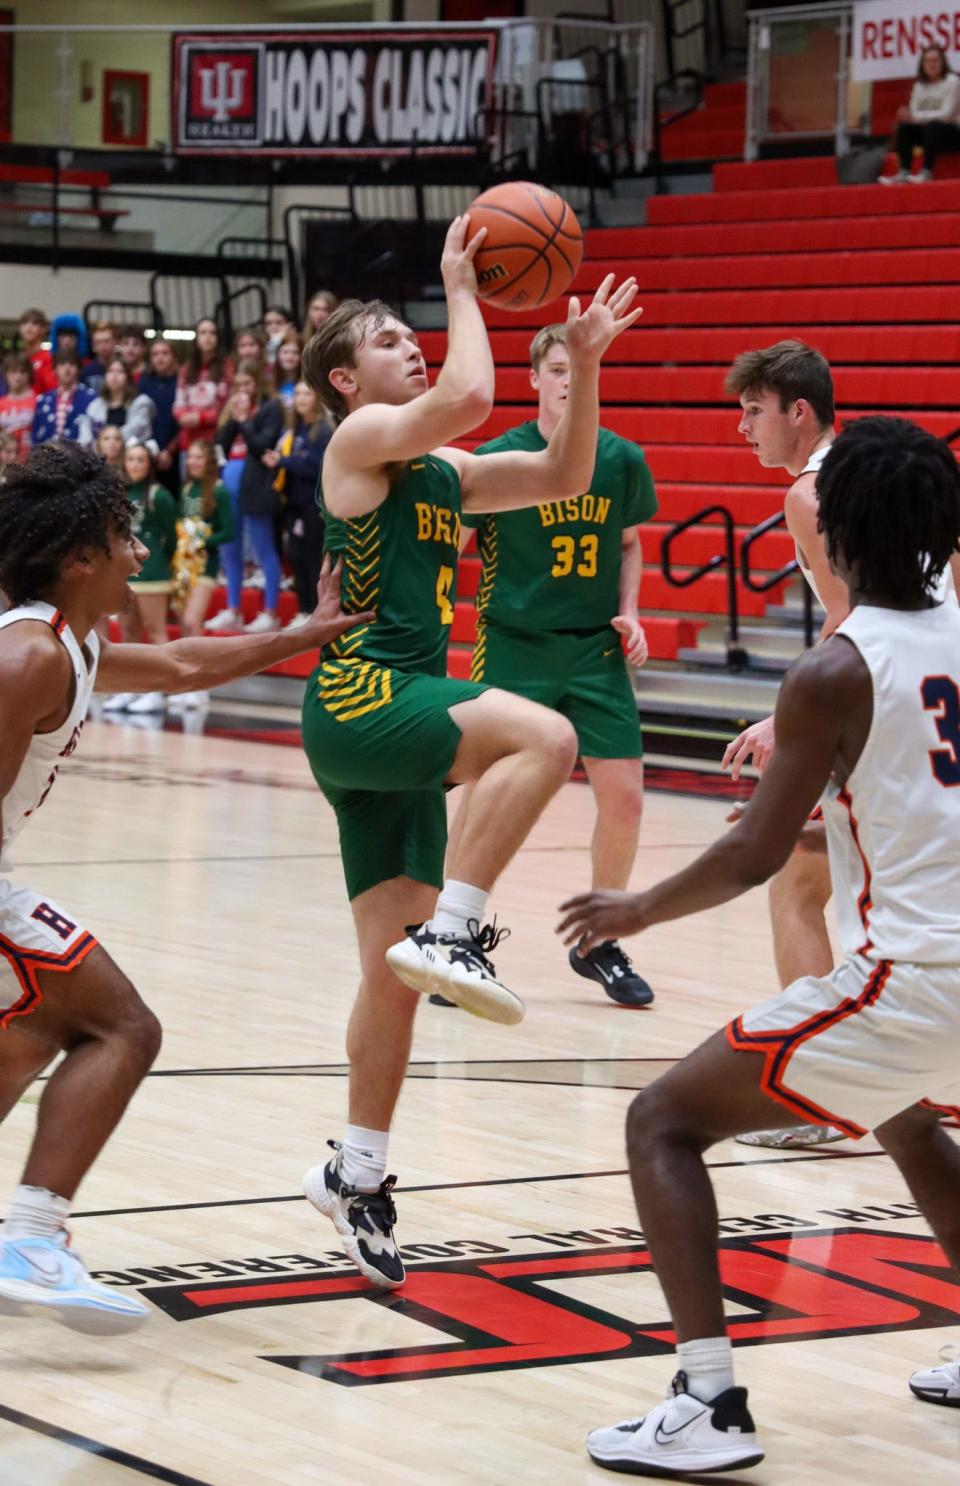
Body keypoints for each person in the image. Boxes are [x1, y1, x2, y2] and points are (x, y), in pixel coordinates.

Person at [557, 415, 960, 1477]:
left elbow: (751, 853)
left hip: (917, 977)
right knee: (912, 1124)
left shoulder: (835, 667)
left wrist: (637, 908)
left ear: (837, 533)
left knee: (663, 1121)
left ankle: (708, 1402)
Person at [297, 215, 639, 1290]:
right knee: (545, 733)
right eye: (390, 340)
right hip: (365, 697)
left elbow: (556, 471)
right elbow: (474, 398)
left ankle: (358, 1170)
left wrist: (578, 367)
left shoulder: (443, 475)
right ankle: (460, 933)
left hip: (386, 719)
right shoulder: (353, 448)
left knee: (386, 977)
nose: (411, 345)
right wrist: (464, 285)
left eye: (415, 330)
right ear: (348, 382)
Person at [0, 440, 369, 1333]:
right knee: (120, 1026)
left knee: (31, 1040)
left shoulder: (67, 642)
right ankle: (30, 1238)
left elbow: (181, 667)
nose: (141, 552)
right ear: (79, 555)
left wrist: (304, 634)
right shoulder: (27, 660)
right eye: (125, 535)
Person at [451, 321, 658, 1009]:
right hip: (514, 642)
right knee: (488, 793)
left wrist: (631, 609)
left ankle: (598, 940)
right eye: (558, 369)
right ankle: (453, 935)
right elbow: (448, 543)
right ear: (535, 379)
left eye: (580, 368)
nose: (569, 379)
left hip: (594, 647)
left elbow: (630, 544)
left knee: (625, 799)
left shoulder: (621, 459)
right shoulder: (499, 458)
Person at [102, 443, 178, 716]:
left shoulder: (159, 495)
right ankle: (130, 688)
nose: (135, 464)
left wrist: (162, 560)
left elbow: (173, 534)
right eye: (131, 459)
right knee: (128, 632)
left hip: (154, 572)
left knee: (155, 631)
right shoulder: (118, 494)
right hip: (125, 572)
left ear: (149, 465)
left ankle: (160, 691)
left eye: (141, 460)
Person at [209, 364, 285, 634]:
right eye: (237, 385)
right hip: (229, 479)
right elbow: (221, 443)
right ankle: (233, 608)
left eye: (247, 385)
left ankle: (271, 611)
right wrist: (233, 417)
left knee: (264, 546)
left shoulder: (271, 408)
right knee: (230, 544)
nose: (241, 391)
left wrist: (244, 419)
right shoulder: (234, 411)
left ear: (258, 384)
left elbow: (261, 445)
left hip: (256, 484)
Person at [262, 379, 330, 629]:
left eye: (307, 394)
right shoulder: (296, 428)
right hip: (293, 504)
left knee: (313, 559)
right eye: (298, 394)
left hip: (314, 506)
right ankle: (303, 610)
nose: (301, 398)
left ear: (317, 399)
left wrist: (284, 461)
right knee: (296, 557)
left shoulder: (323, 430)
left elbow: (315, 467)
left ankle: (315, 611)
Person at [172, 440, 235, 707]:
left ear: (209, 461)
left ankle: (201, 685)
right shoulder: (186, 488)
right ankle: (188, 682)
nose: (193, 462)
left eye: (199, 458)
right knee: (184, 623)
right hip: (183, 567)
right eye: (191, 458)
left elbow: (229, 531)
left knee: (192, 619)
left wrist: (201, 541)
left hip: (206, 565)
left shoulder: (218, 491)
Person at [880, 44, 960, 184]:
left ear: (943, 62)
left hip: (952, 134)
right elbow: (912, 113)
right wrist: (910, 117)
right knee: (904, 127)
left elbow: (947, 115)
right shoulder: (919, 85)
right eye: (927, 61)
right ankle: (903, 172)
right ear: (922, 64)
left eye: (935, 60)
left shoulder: (952, 81)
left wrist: (917, 117)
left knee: (932, 126)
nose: (931, 64)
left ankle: (926, 172)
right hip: (929, 134)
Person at [173, 318, 231, 464]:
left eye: (212, 333)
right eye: (203, 332)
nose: (208, 337)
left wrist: (201, 418)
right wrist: (182, 416)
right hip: (188, 442)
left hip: (213, 439)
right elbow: (179, 402)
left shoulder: (227, 367)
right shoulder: (186, 369)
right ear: (196, 338)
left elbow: (226, 406)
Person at [80, 355, 155, 447]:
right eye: (110, 371)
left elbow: (136, 432)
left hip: (129, 457)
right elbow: (85, 436)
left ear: (128, 377)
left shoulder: (141, 403)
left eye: (120, 371)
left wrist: (106, 443)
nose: (114, 376)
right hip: (98, 457)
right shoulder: (95, 405)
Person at [139, 337, 181, 497]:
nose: (160, 357)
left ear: (174, 356)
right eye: (155, 354)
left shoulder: (181, 381)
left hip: (175, 451)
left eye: (165, 353)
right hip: (149, 452)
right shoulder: (145, 383)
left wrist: (170, 451)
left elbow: (182, 423)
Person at [31, 350, 94, 446]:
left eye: (72, 364)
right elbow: (36, 436)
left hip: (79, 457)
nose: (67, 368)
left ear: (79, 368)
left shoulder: (90, 398)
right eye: (62, 364)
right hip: (47, 457)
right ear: (54, 369)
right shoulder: (42, 400)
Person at [0, 353, 36, 462]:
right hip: (6, 463)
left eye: (22, 372)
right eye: (13, 372)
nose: (18, 377)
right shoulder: (1, 404)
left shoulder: (38, 401)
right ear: (5, 375)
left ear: (29, 374)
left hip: (32, 461)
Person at [18, 308, 55, 395]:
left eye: (34, 323)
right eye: (25, 323)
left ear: (43, 329)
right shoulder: (18, 359)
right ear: (20, 328)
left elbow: (53, 391)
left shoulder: (49, 358)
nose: (29, 327)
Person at [82, 321, 117, 396]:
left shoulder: (124, 369)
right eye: (98, 342)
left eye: (107, 341)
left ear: (114, 342)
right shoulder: (86, 372)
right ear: (93, 345)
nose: (103, 346)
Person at [274, 330, 302, 408]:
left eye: (295, 353)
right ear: (278, 355)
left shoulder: (307, 383)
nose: (290, 357)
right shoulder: (268, 380)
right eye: (285, 352)